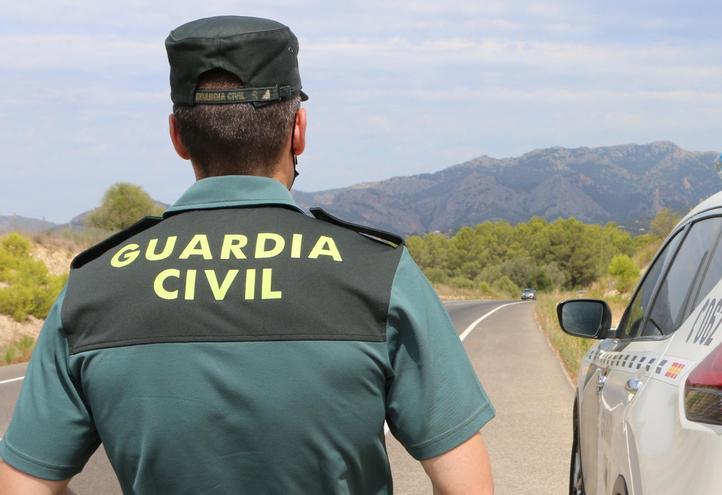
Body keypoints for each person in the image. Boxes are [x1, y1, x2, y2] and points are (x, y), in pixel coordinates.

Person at [0, 15, 494, 494]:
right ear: (298, 130)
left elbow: (24, 483)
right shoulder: (378, 272)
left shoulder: (94, 286)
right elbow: (465, 484)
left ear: (177, 136)